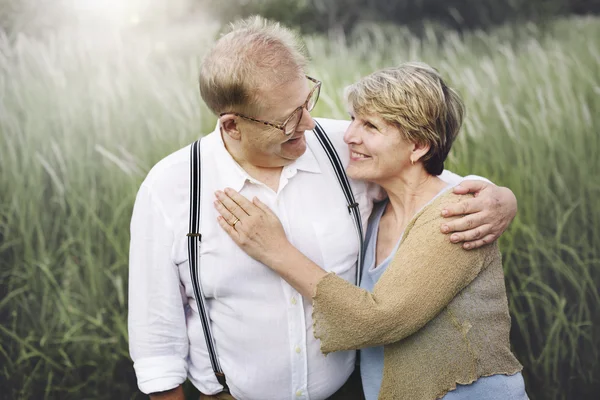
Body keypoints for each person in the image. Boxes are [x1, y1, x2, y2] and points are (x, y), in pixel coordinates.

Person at [128, 17, 519, 400]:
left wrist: (498, 197)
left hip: (347, 392)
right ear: (232, 126)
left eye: (307, 101)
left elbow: (425, 177)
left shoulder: (343, 149)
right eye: (287, 119)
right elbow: (157, 340)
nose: (310, 124)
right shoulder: (171, 189)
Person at [213, 62, 527, 400]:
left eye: (370, 126)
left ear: (418, 145)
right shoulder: (377, 211)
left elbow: (380, 319)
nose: (349, 136)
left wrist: (277, 251)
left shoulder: (453, 218)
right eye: (352, 119)